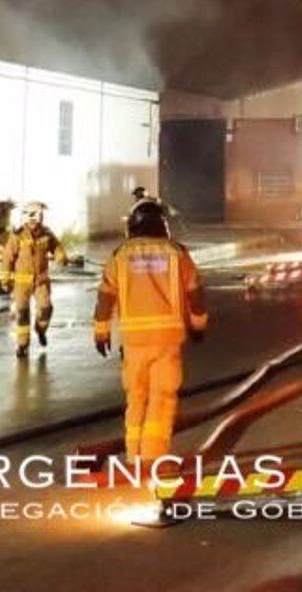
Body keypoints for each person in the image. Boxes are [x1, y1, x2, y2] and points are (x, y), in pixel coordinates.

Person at [92, 197, 207, 463]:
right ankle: (152, 462)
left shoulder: (119, 255)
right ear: (162, 225)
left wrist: (101, 332)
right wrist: (198, 325)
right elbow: (195, 294)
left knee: (136, 399)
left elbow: (105, 298)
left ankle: (134, 458)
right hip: (167, 341)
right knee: (161, 399)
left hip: (133, 343)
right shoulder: (177, 253)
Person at [0, 202, 69, 358]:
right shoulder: (17, 235)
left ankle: (41, 329)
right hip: (22, 282)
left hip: (41, 281)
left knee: (46, 308)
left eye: (39, 215)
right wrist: (5, 279)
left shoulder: (46, 234)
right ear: (27, 217)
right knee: (22, 313)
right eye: (34, 215)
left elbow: (56, 247)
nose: (36, 219)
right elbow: (7, 258)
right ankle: (22, 345)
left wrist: (61, 257)